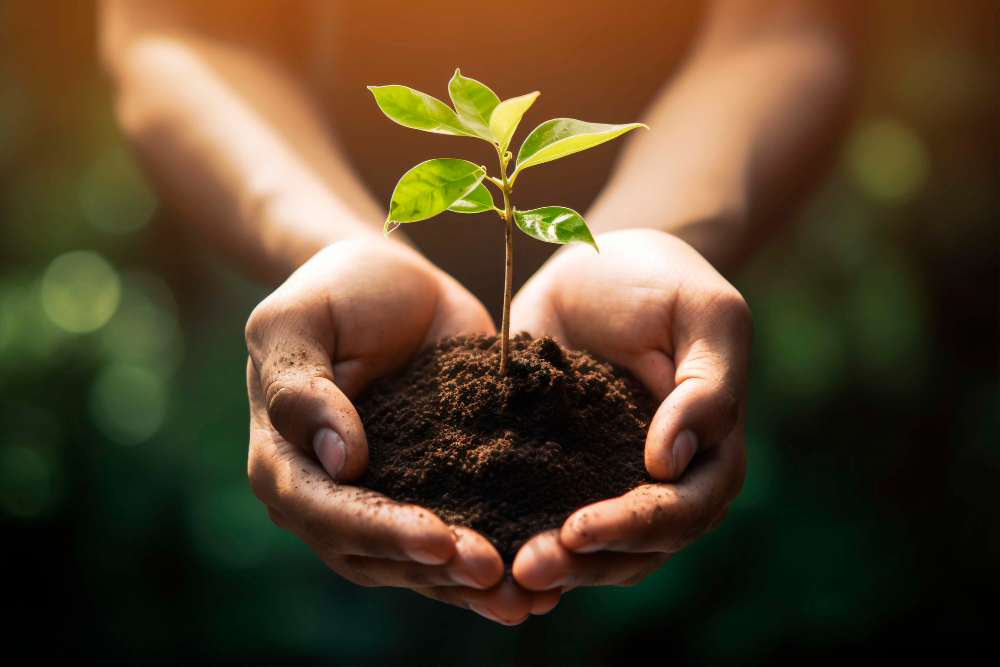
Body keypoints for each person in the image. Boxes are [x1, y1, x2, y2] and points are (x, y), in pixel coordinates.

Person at [100, 0, 856, 625]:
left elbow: (787, 28)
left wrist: (647, 238)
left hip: (658, 343)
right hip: (339, 340)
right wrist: (326, 244)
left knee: (696, 590)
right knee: (313, 595)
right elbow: (177, 30)